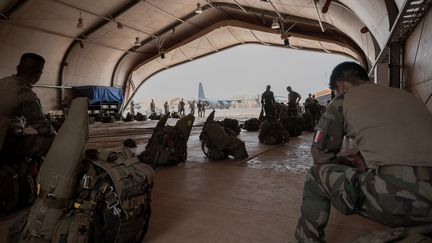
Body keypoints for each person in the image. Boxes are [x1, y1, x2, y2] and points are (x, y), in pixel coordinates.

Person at [295, 62, 432, 242]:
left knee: (316, 175)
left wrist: (344, 163)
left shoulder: (344, 99)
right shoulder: (408, 96)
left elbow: (321, 156)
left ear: (340, 86)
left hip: (407, 196)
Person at [0, 53, 56, 159]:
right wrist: (55, 131)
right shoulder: (26, 94)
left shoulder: (2, 81)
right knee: (54, 140)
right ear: (39, 74)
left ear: (18, 68)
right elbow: (44, 128)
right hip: (6, 143)